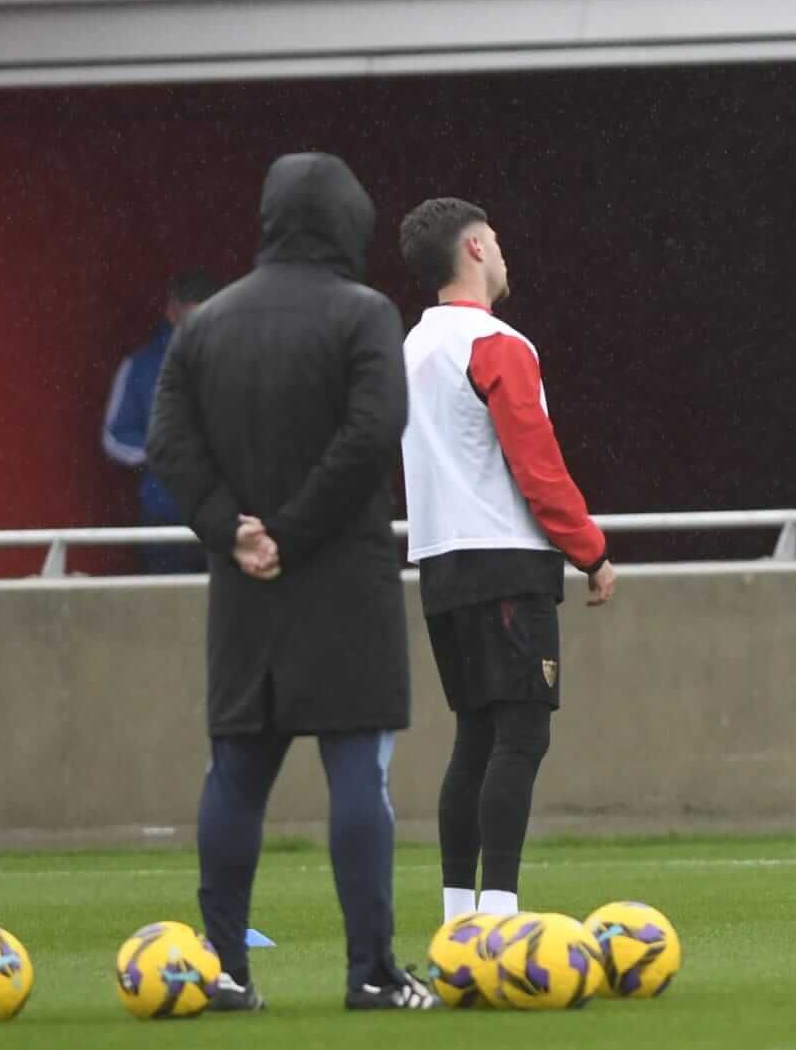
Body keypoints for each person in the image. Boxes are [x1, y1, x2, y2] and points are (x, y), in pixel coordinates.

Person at [147, 152, 437, 1010]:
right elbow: (374, 427)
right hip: (343, 573)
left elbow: (170, 443)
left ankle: (225, 968)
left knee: (235, 772)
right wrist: (296, 529)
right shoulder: (364, 313)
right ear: (348, 220)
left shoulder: (206, 325)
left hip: (244, 584)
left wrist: (232, 526)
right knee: (358, 772)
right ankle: (372, 972)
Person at [397, 197, 615, 923]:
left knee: (475, 735)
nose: (504, 249)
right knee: (521, 733)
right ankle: (499, 913)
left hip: (438, 559)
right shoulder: (497, 343)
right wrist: (590, 548)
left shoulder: (411, 348)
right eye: (496, 237)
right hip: (504, 556)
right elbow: (536, 461)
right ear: (477, 249)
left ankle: (460, 914)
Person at [102, 269, 220, 574]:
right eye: (189, 316)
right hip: (163, 514)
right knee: (165, 614)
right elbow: (114, 437)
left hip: (227, 514)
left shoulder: (241, 364)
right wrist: (159, 452)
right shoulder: (140, 367)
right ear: (172, 311)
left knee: (227, 616)